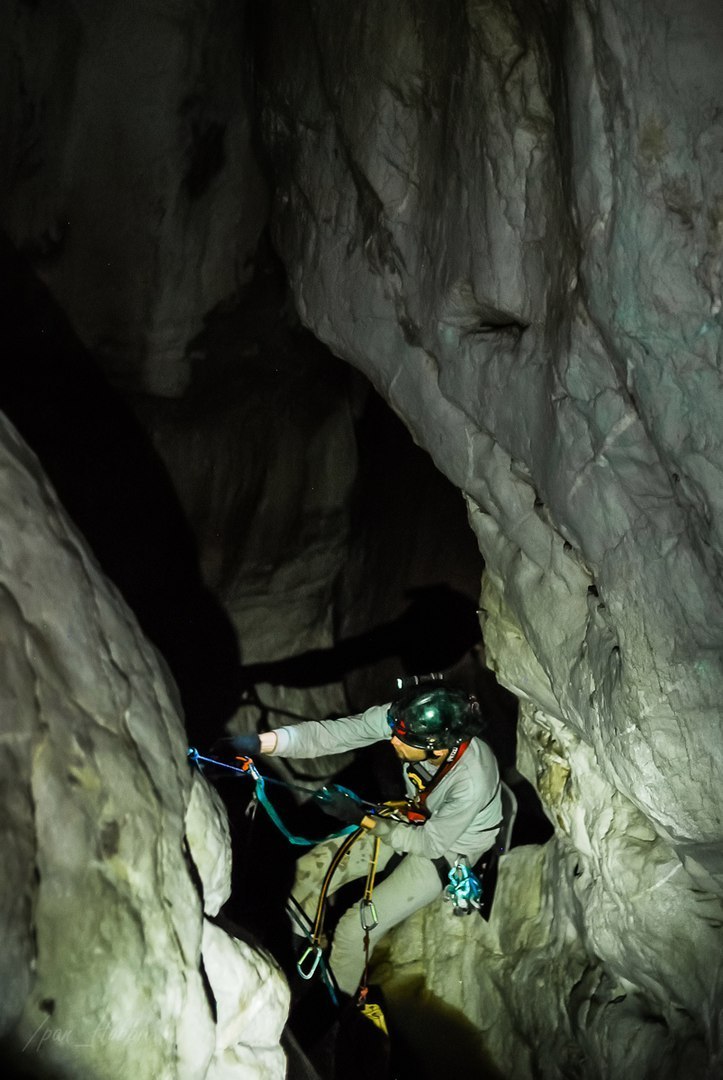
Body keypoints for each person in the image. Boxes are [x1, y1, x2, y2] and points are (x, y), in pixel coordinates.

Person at [231, 680, 502, 998]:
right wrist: (259, 743)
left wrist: (360, 818)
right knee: (306, 874)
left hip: (451, 849)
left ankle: (333, 1006)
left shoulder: (471, 782)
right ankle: (281, 958)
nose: (393, 742)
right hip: (414, 816)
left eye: (403, 741)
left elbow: (429, 845)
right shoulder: (403, 721)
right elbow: (333, 735)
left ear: (437, 748)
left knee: (352, 930)